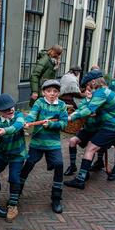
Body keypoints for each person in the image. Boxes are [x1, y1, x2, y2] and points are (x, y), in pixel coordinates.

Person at [21, 80, 68, 214]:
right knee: (28, 164)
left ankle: (56, 198)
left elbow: (64, 123)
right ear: (43, 92)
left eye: (55, 91)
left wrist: (52, 125)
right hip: (37, 142)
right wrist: (27, 123)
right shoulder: (39, 102)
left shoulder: (62, 105)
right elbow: (32, 115)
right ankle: (16, 192)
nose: (52, 94)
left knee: (59, 164)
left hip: (53, 144)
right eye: (49, 91)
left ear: (58, 92)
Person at [63, 85, 99, 178]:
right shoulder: (82, 102)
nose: (89, 93)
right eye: (87, 91)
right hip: (86, 129)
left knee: (90, 147)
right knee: (72, 141)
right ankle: (72, 166)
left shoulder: (98, 102)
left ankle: (86, 170)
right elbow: (81, 111)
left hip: (97, 130)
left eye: (91, 91)